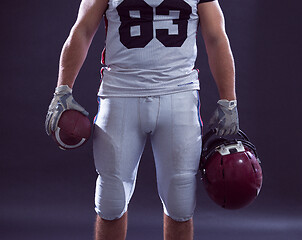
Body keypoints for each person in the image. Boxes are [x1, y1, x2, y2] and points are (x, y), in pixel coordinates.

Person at [45, 0, 239, 239]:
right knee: (111, 201)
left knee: (180, 203)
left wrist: (228, 99)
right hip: (120, 95)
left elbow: (216, 37)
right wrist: (62, 89)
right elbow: (83, 29)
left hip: (177, 95)